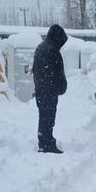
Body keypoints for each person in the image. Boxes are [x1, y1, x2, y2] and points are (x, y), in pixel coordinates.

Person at [32, 23, 68, 153]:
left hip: (41, 90)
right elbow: (58, 73)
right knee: (48, 118)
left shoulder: (40, 48)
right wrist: (61, 87)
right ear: (57, 38)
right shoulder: (52, 51)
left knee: (44, 117)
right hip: (49, 91)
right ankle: (47, 144)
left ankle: (44, 141)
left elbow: (35, 70)